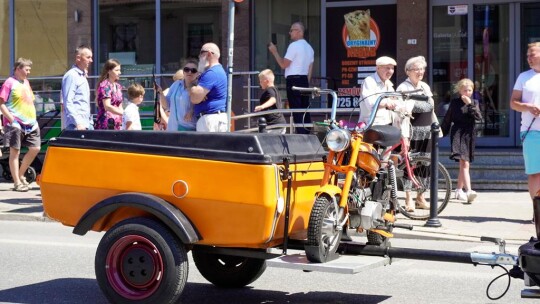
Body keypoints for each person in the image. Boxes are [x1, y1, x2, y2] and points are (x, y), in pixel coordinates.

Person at [396, 56, 439, 211]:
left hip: (428, 131)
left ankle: (421, 197)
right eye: (416, 69)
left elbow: (431, 108)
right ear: (408, 71)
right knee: (410, 165)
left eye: (422, 69)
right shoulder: (403, 88)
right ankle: (408, 199)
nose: (420, 72)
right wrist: (404, 136)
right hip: (412, 132)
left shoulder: (425, 87)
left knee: (426, 165)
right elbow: (402, 113)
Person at [0, 58, 40, 192]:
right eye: (26, 69)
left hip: (31, 123)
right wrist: (12, 120)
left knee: (35, 148)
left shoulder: (26, 82)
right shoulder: (9, 83)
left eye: (29, 69)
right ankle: (17, 182)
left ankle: (21, 173)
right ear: (18, 69)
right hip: (15, 123)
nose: (28, 72)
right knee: (14, 152)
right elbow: (1, 104)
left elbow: (30, 101)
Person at [268, 21, 314, 134]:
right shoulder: (310, 48)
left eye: (292, 30)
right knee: (304, 109)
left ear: (299, 31)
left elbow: (283, 65)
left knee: (296, 109)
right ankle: (308, 134)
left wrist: (274, 52)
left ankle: (301, 135)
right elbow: (310, 70)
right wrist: (306, 84)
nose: (290, 33)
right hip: (304, 80)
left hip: (294, 80)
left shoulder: (294, 46)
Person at [441, 78, 482, 203]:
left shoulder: (474, 102)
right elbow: (448, 119)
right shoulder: (454, 103)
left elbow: (478, 117)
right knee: (465, 163)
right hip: (458, 133)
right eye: (465, 90)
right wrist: (441, 133)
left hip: (469, 134)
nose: (467, 92)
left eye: (470, 90)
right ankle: (469, 190)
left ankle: (458, 190)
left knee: (463, 164)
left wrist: (469, 104)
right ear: (460, 91)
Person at [510, 41, 540, 208]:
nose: (528, 58)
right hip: (532, 132)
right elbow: (513, 103)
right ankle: (537, 213)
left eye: (532, 54)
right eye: (527, 55)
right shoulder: (524, 77)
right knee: (535, 173)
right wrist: (527, 107)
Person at [190, 42, 228, 132]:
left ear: (209, 54)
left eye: (201, 52)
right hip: (212, 119)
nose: (199, 56)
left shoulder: (212, 73)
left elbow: (195, 99)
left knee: (207, 146)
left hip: (210, 120)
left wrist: (192, 89)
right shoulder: (216, 71)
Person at [159, 59, 198, 131]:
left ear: (197, 73)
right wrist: (161, 93)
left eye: (193, 70)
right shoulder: (176, 84)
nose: (189, 72)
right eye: (186, 69)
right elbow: (167, 105)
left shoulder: (199, 87)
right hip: (172, 127)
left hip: (189, 128)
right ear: (183, 72)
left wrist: (191, 110)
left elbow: (199, 105)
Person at [359, 56, 398, 126]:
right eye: (387, 68)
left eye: (392, 68)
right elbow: (370, 104)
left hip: (388, 124)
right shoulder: (369, 81)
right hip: (372, 125)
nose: (390, 71)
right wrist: (386, 103)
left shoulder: (389, 83)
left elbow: (395, 101)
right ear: (378, 68)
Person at [62, 45, 93, 130]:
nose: (91, 60)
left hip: (86, 124)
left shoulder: (82, 76)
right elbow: (68, 101)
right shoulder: (72, 76)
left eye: (91, 57)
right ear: (78, 58)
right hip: (76, 126)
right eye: (88, 57)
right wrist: (78, 123)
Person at [94, 59, 124, 130]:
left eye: (119, 70)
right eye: (116, 70)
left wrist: (122, 116)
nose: (119, 72)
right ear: (109, 71)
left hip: (117, 123)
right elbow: (107, 106)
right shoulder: (105, 86)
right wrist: (123, 113)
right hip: (106, 123)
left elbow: (119, 104)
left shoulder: (118, 86)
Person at [255, 69, 286, 134]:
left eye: (261, 81)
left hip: (274, 124)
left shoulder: (270, 90)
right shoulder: (275, 90)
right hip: (278, 123)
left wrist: (261, 106)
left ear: (266, 81)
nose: (260, 83)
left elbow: (273, 100)